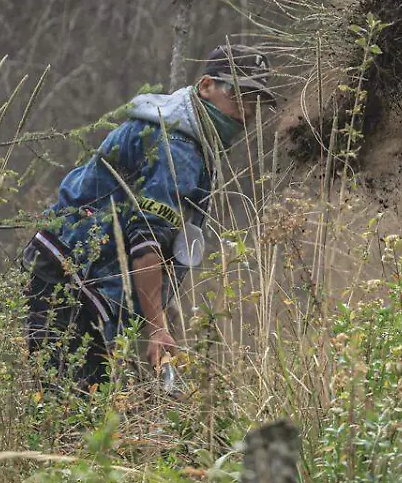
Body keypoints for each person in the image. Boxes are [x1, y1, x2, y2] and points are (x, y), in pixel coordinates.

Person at [21, 44, 277, 391]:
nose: (247, 111)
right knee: (67, 402)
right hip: (69, 277)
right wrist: (156, 327)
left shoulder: (186, 134)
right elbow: (146, 242)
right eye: (238, 95)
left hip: (67, 268)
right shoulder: (178, 146)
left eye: (256, 102)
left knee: (82, 401)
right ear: (205, 86)